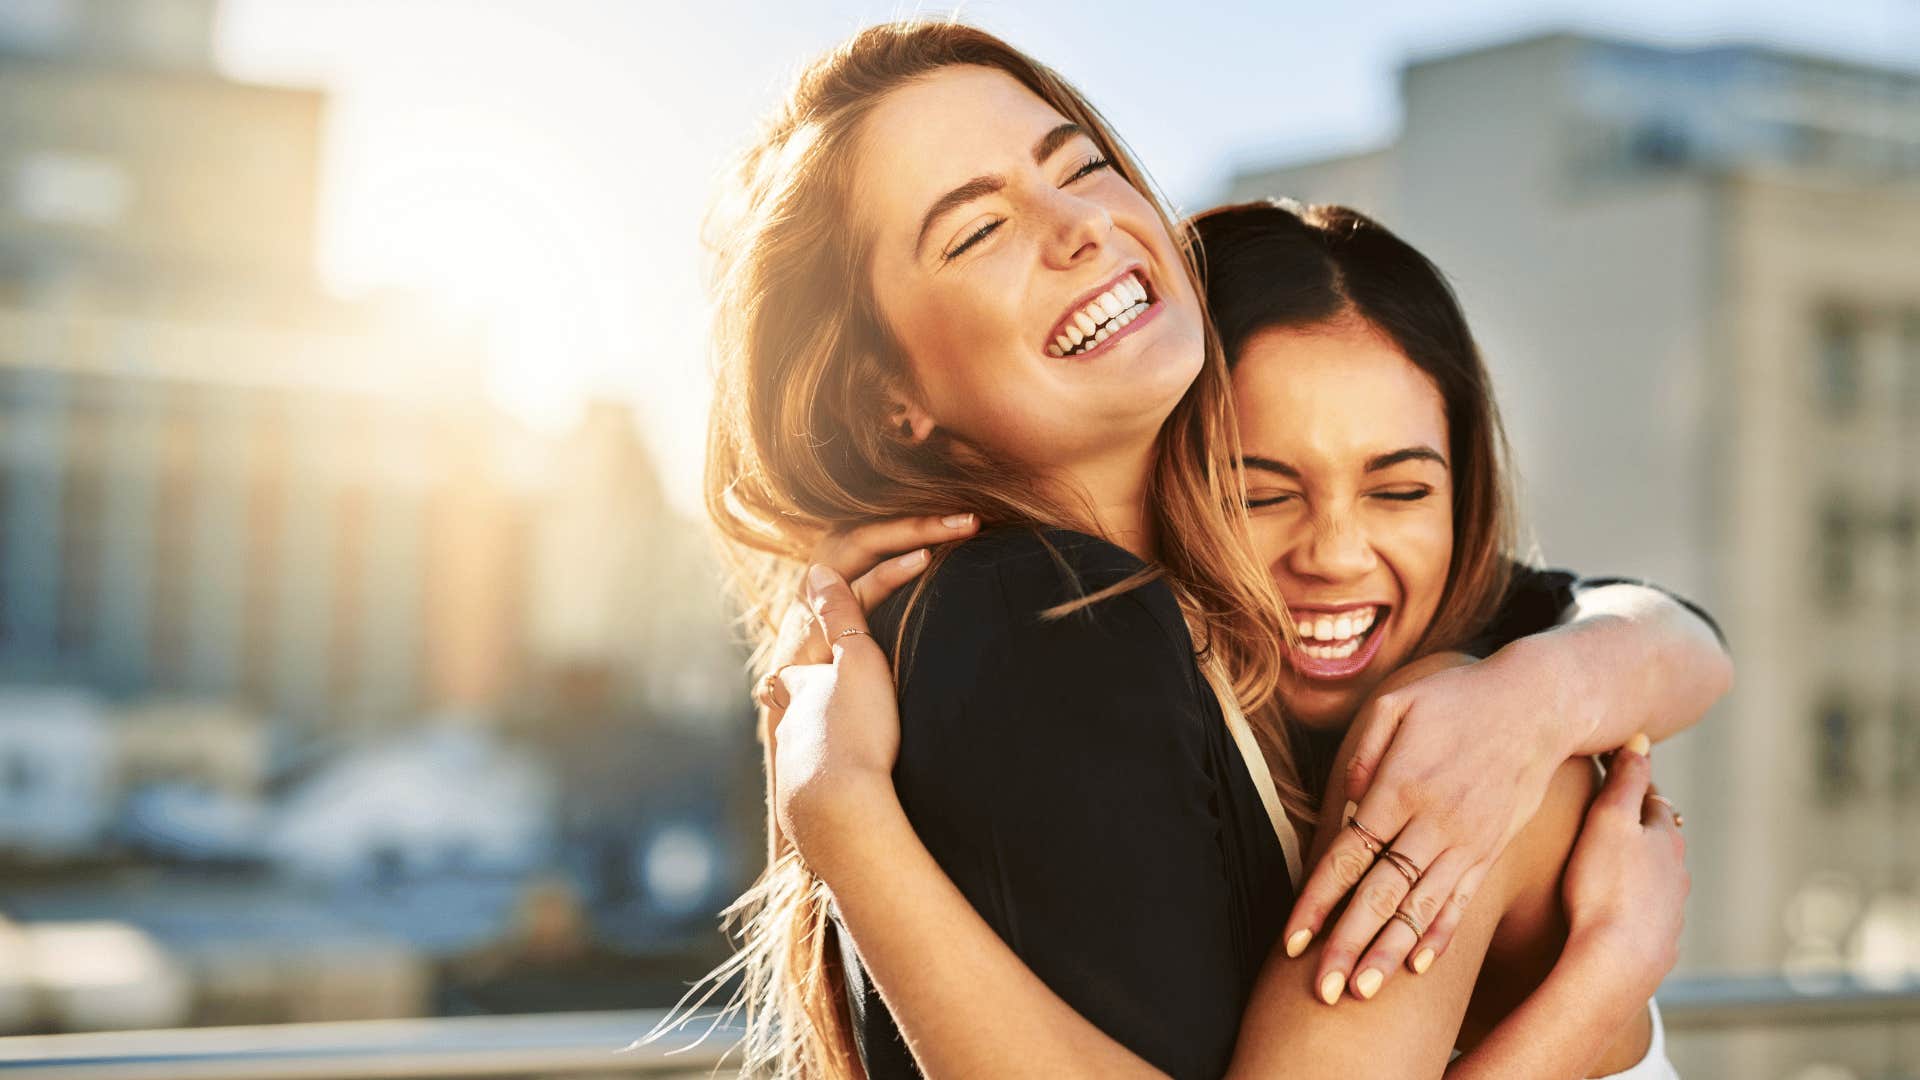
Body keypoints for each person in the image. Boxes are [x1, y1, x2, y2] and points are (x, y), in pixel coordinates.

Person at [693, 19, 1725, 1078]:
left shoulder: (1235, 602)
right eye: (975, 231)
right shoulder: (1041, 611)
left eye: (1082, 167)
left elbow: (1680, 639)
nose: (1079, 227)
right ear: (886, 395)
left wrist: (1543, 693)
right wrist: (1602, 982)